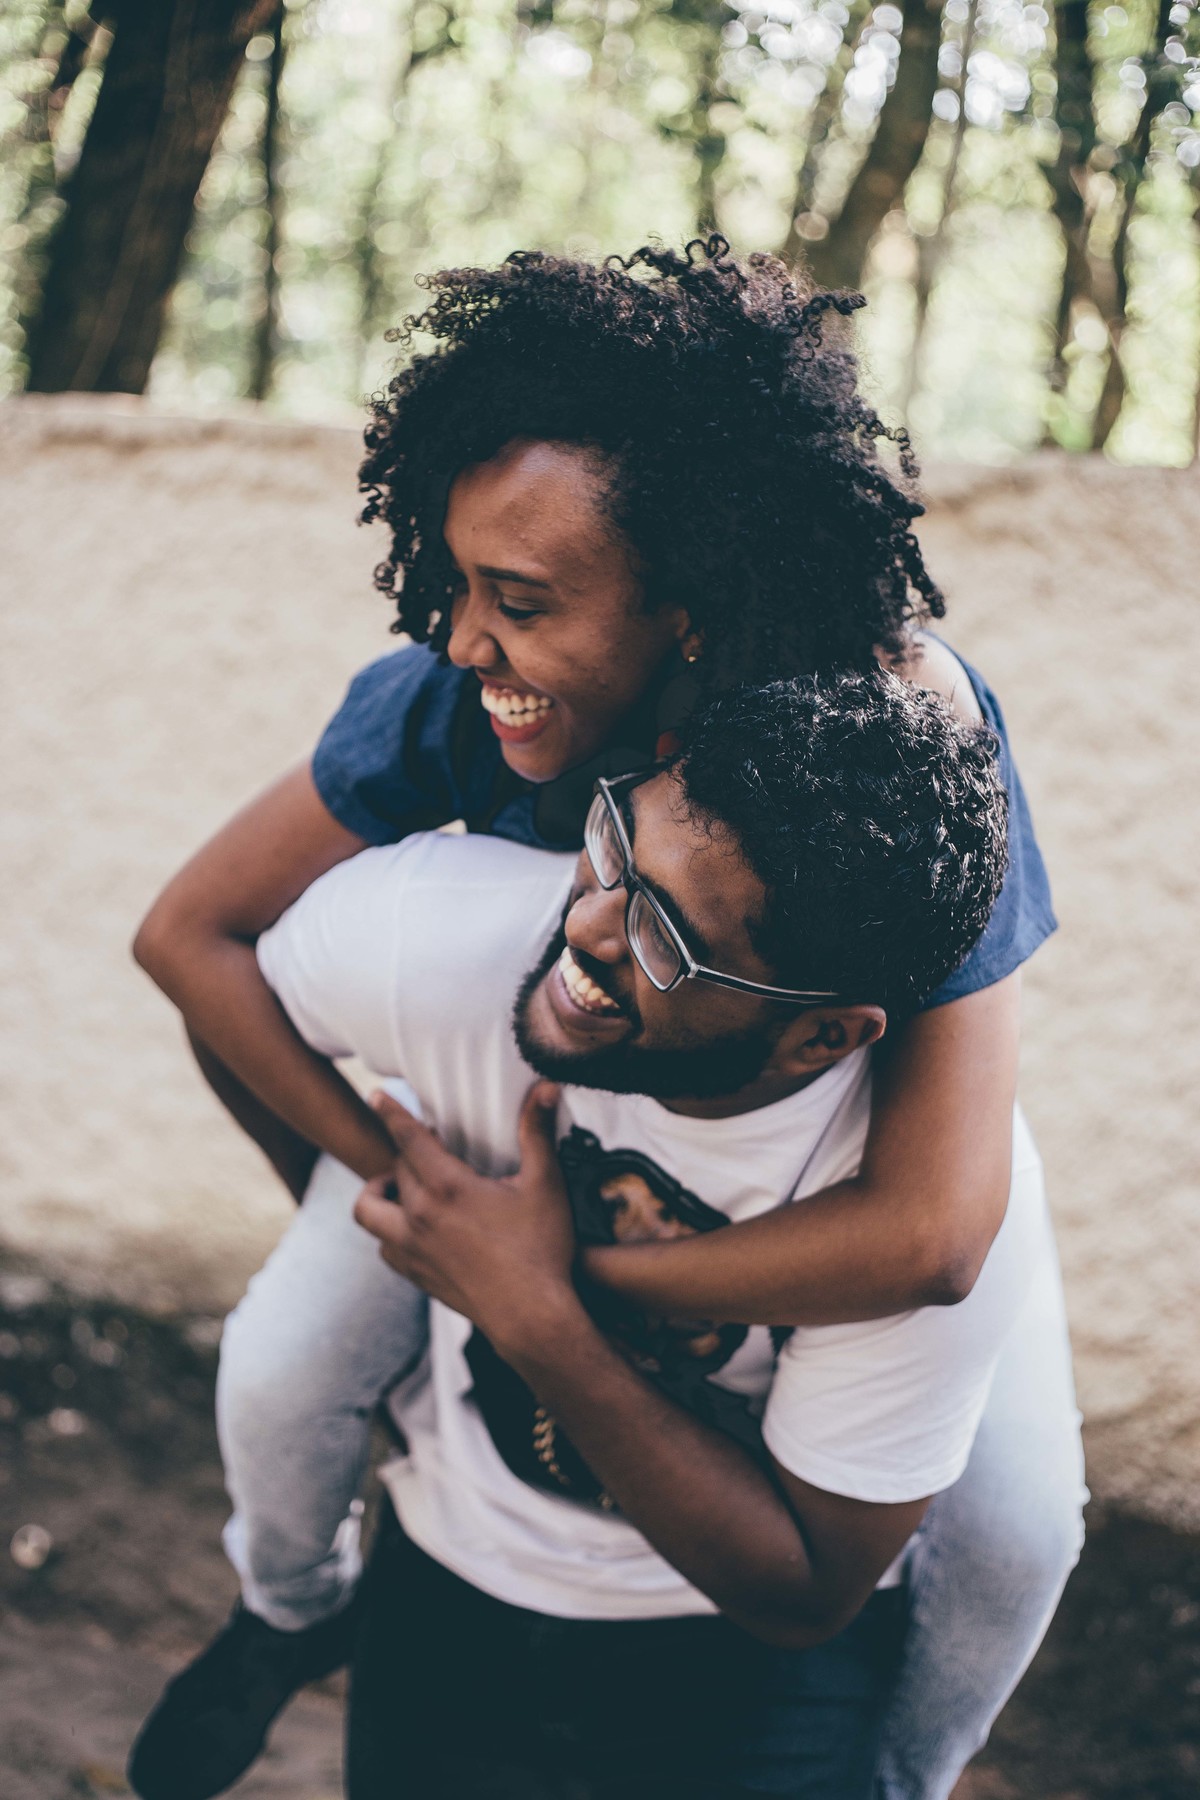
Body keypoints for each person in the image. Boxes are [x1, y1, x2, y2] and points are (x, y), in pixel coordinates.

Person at [129, 243, 1084, 1799]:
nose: (460, 639)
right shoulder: (454, 701)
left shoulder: (888, 751)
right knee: (282, 1370)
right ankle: (285, 1606)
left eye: (517, 600)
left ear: (698, 612)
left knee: (1019, 1533)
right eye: (453, 584)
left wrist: (561, 1288)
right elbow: (194, 934)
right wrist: (392, 1191)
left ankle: (896, 1774)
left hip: (816, 1167)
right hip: (523, 1123)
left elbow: (929, 1231)